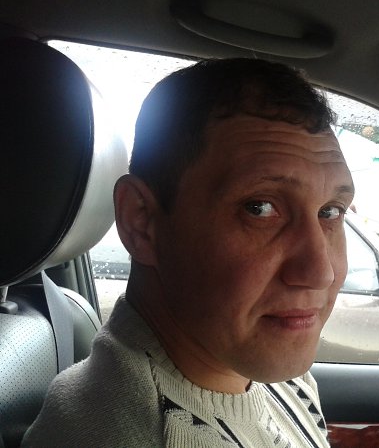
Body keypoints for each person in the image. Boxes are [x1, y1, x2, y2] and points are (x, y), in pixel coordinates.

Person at [23, 58, 354, 447]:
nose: (320, 272)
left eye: (330, 212)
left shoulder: (245, 360)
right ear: (141, 221)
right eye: (260, 208)